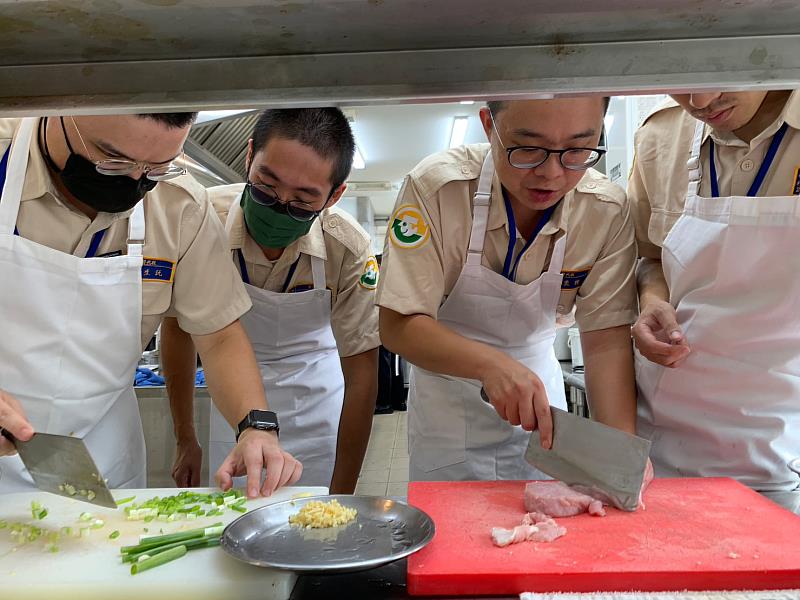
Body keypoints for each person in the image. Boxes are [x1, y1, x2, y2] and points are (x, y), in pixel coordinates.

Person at [0, 114, 301, 499]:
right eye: (113, 159)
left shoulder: (179, 205)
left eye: (155, 168)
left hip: (100, 459)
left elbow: (219, 335)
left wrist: (255, 426)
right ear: (62, 108)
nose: (134, 180)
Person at [377, 97, 639, 481]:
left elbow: (606, 342)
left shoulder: (604, 210)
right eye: (528, 149)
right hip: (449, 409)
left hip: (541, 406)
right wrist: (489, 365)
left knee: (550, 526)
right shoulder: (437, 189)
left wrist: (619, 457)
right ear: (489, 125)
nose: (551, 173)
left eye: (578, 150)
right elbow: (397, 323)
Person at [162, 108, 380, 494]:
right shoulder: (200, 220)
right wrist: (185, 437)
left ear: (334, 196)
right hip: (232, 410)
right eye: (266, 187)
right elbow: (179, 331)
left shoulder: (347, 248)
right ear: (249, 157)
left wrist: (343, 490)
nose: (280, 206)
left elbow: (361, 372)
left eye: (302, 201)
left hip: (317, 408)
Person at [630, 89, 800, 512]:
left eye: (720, 72)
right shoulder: (660, 135)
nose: (701, 99)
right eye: (680, 79)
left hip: (782, 459)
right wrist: (652, 300)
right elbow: (649, 257)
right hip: (657, 456)